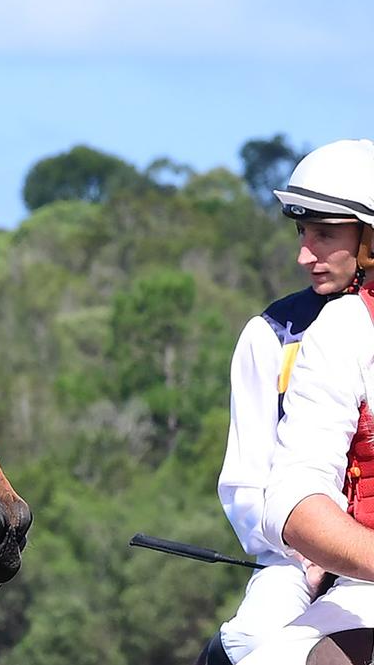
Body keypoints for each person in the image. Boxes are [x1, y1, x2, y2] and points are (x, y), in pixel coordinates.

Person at [207, 141, 372, 663]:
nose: (305, 254)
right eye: (303, 232)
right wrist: (310, 550)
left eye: (324, 234)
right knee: (250, 642)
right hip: (293, 553)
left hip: (349, 549)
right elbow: (247, 484)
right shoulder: (268, 334)